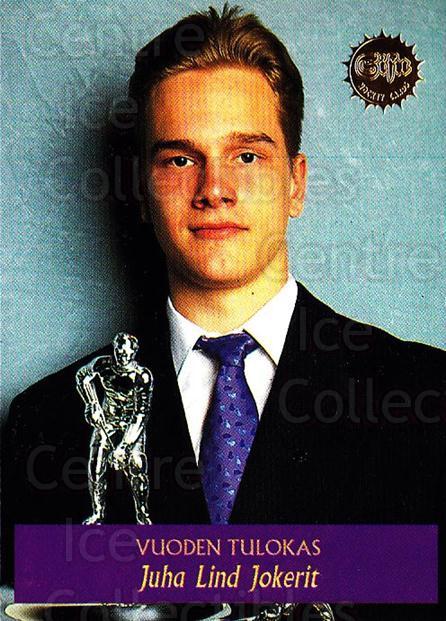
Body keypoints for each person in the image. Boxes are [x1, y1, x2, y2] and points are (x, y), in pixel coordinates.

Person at [2, 5, 445, 621]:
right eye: (180, 159)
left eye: (247, 156)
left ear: (296, 183)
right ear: (141, 189)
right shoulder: (47, 425)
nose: (215, 189)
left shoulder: (426, 399)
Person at [75, 332, 153, 525]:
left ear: (134, 352)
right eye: (119, 352)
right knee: (95, 466)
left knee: (136, 465)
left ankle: (142, 513)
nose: (122, 357)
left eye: (126, 353)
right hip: (108, 420)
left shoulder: (142, 376)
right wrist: (92, 404)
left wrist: (123, 447)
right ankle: (98, 513)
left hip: (131, 424)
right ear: (114, 350)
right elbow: (82, 376)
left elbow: (141, 414)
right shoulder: (103, 365)